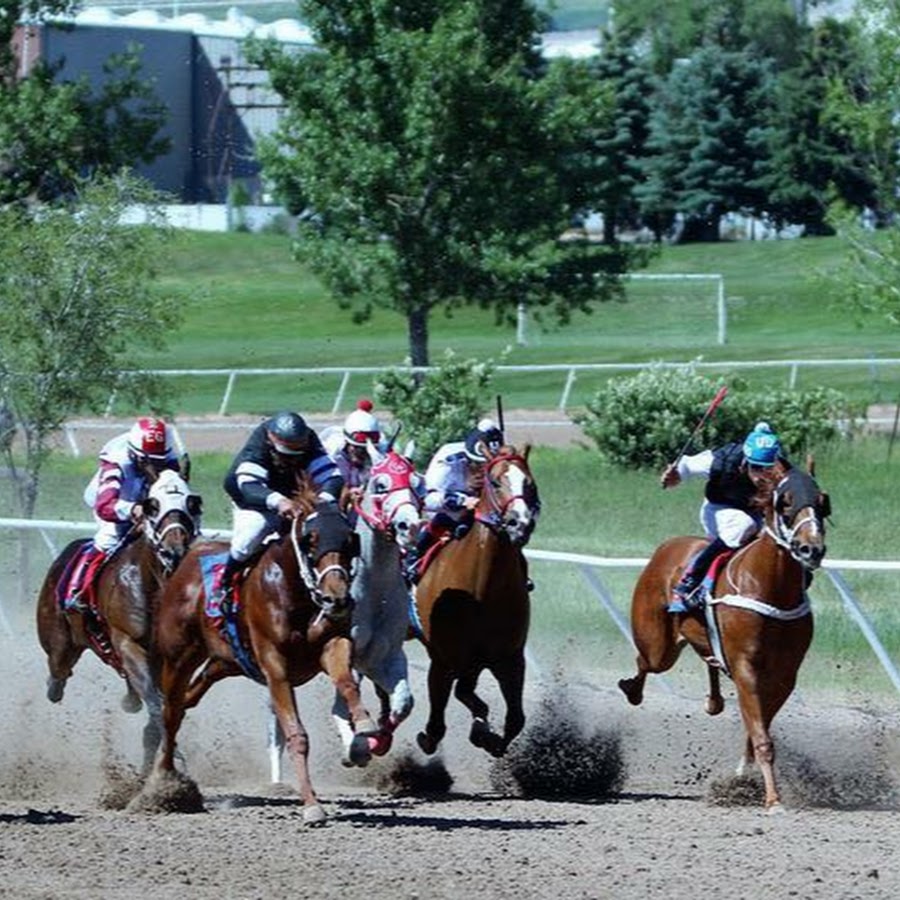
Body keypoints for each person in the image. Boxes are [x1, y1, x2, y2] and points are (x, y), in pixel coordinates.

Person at [215, 411, 345, 616]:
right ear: (271, 440)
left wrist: (325, 501)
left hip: (291, 498)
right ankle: (224, 585)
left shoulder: (309, 439)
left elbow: (333, 477)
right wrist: (279, 501)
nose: (292, 461)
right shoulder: (258, 445)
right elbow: (249, 486)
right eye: (285, 455)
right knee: (248, 539)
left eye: (297, 455)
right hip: (253, 501)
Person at [661, 421, 785, 613]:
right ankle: (690, 581)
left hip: (756, 511)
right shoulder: (722, 460)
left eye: (768, 468)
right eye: (756, 468)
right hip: (719, 509)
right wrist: (675, 475)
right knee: (745, 525)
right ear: (746, 459)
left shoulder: (782, 469)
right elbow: (686, 464)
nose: (762, 476)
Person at [65, 416, 184, 610]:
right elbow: (105, 506)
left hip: (146, 501)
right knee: (109, 539)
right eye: (149, 462)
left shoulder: (168, 459)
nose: (156, 467)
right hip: (110, 502)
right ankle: (77, 591)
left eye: (159, 461)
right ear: (135, 455)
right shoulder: (116, 463)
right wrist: (131, 509)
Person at [403, 417, 504, 584]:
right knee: (442, 521)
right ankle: (412, 563)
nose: (482, 471)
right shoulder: (448, 458)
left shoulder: (502, 465)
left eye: (487, 466)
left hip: (484, 515)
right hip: (443, 515)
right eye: (477, 464)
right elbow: (427, 499)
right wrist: (462, 501)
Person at [321, 398, 383, 510]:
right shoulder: (330, 454)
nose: (362, 454)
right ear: (346, 441)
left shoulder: (379, 456)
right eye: (358, 448)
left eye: (366, 450)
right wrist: (346, 492)